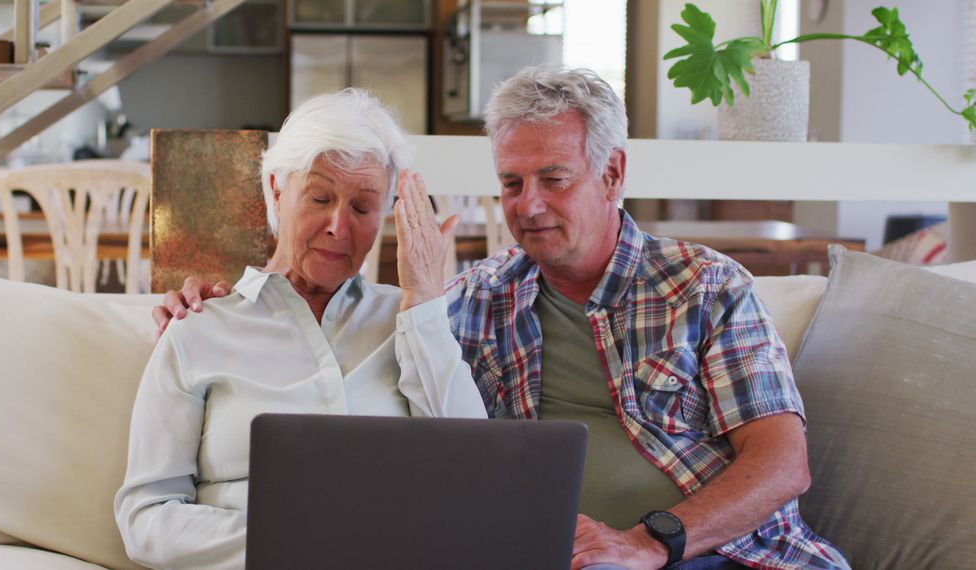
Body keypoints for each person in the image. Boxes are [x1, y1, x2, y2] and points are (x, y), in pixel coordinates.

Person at [156, 66, 849, 570]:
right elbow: (338, 313)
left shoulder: (706, 286)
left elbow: (783, 464)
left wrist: (650, 542)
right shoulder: (477, 298)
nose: (529, 206)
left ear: (611, 176)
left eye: (554, 178)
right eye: (512, 184)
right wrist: (202, 299)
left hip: (717, 556)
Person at [115, 89, 488, 569]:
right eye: (319, 197)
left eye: (362, 207)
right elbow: (146, 518)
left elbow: (474, 476)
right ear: (275, 189)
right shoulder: (199, 327)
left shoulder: (412, 322)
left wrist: (424, 303)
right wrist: (296, 544)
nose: (338, 226)